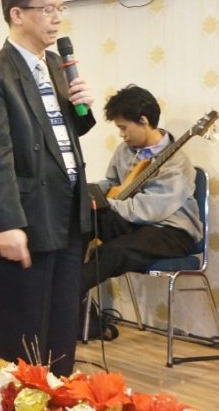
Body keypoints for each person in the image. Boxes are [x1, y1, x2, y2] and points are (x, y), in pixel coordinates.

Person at [0, 0, 96, 376]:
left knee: (60, 330)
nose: (57, 18)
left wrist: (82, 108)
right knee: (17, 336)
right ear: (17, 14)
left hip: (66, 215)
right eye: (48, 9)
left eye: (61, 8)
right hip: (25, 219)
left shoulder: (55, 65)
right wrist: (8, 224)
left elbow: (57, 138)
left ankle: (56, 396)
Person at [80, 85, 201, 294]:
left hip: (171, 232)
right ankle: (63, 288)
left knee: (113, 252)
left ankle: (64, 297)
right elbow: (112, 183)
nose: (121, 135)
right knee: (81, 218)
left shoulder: (177, 162)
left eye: (123, 127)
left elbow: (150, 209)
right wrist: (90, 194)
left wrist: (106, 204)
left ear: (143, 121)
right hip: (135, 225)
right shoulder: (124, 150)